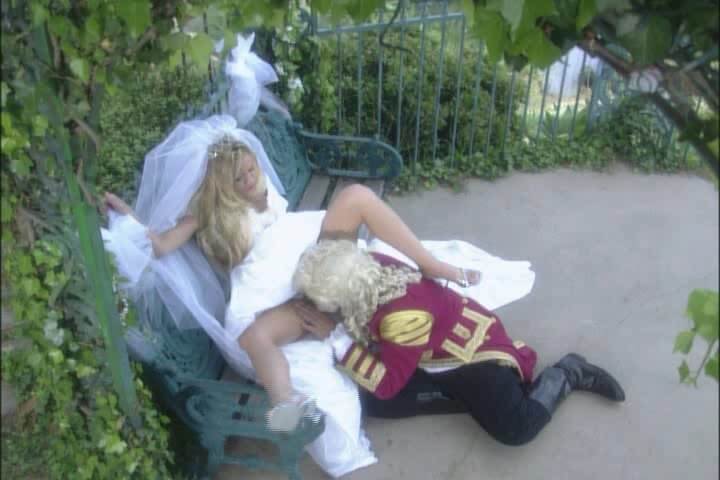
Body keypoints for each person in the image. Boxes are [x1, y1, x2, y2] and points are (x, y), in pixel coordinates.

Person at [103, 132, 482, 431]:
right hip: (276, 290)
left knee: (355, 196)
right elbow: (161, 245)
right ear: (220, 183)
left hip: (313, 260)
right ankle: (286, 404)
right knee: (254, 338)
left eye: (251, 170)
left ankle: (433, 265)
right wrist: (129, 219)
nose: (249, 180)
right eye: (238, 178)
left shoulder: (262, 186)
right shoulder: (206, 213)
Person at [293, 239, 626, 446]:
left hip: (473, 363)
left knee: (517, 430)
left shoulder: (403, 319)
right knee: (377, 405)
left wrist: (337, 338)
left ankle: (568, 373)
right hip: (434, 346)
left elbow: (387, 382)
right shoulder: (370, 264)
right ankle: (476, 401)